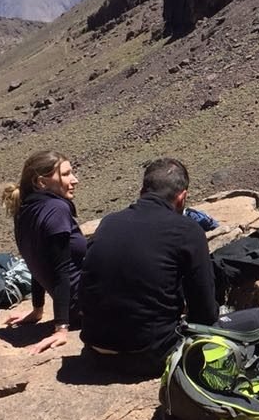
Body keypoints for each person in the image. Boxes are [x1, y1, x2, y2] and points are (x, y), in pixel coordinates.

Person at [78, 157, 217, 375]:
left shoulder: (109, 222)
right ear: (182, 198)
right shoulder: (187, 231)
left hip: (96, 352)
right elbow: (205, 315)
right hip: (148, 356)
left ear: (142, 192)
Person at [0, 150, 86, 355]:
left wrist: (37, 310)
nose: (75, 180)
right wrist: (61, 329)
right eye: (65, 174)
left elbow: (36, 260)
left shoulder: (23, 210)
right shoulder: (56, 210)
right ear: (41, 182)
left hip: (79, 302)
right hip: (87, 305)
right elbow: (61, 269)